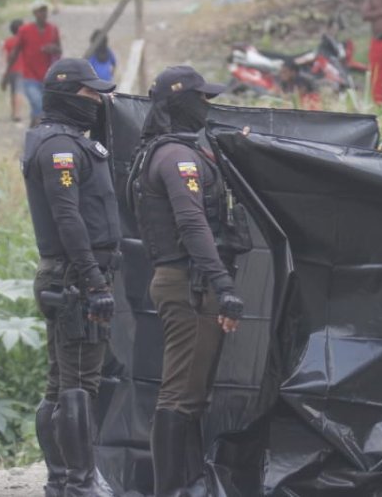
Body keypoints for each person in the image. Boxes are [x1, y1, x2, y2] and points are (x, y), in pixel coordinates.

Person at [127, 66, 248, 497]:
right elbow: (193, 222)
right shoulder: (177, 158)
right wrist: (223, 284)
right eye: (202, 99)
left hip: (188, 283)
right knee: (180, 397)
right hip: (190, 286)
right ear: (182, 103)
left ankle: (189, 486)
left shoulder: (167, 151)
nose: (208, 106)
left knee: (191, 395)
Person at [22, 58, 120, 497]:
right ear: (65, 94)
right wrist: (94, 283)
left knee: (62, 383)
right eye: (90, 93)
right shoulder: (58, 147)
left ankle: (62, 481)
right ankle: (79, 484)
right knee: (79, 384)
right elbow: (68, 219)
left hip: (69, 276)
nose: (98, 100)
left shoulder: (66, 142)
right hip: (75, 277)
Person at [5, 0, 63, 127]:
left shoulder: (53, 29)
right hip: (29, 76)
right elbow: (15, 52)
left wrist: (53, 49)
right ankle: (37, 137)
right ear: (35, 13)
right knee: (39, 105)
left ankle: (33, 135)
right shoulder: (25, 30)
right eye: (40, 11)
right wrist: (6, 75)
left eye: (45, 10)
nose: (43, 14)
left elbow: (59, 50)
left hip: (47, 77)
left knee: (39, 110)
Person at [2, 18, 25, 122]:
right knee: (19, 91)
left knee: (13, 91)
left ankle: (13, 112)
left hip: (11, 70)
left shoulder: (8, 41)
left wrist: (4, 72)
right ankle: (17, 113)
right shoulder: (25, 41)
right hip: (23, 69)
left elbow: (4, 57)